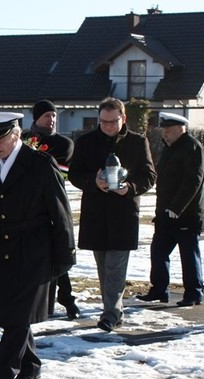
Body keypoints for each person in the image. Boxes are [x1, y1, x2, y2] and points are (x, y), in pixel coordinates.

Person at [0, 111, 76, 379]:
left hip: (35, 249)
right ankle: (31, 367)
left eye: (1, 138)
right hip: (3, 249)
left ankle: (2, 377)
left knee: (16, 316)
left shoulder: (39, 164)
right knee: (13, 313)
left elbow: (60, 211)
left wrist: (65, 255)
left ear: (16, 135)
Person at [68, 97, 157, 333]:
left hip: (123, 213)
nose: (107, 126)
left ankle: (110, 314)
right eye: (103, 122)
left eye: (112, 122)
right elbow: (74, 173)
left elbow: (149, 175)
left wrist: (130, 188)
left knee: (115, 266)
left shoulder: (137, 142)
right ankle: (114, 311)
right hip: (96, 213)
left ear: (123, 118)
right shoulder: (86, 141)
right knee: (103, 265)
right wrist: (93, 182)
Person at [137, 112, 204, 307]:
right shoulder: (170, 148)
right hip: (166, 215)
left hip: (186, 215)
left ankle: (194, 293)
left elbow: (193, 181)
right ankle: (159, 290)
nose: (165, 134)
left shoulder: (192, 147)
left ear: (180, 129)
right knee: (158, 251)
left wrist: (177, 208)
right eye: (164, 130)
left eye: (168, 130)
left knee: (189, 255)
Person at [24, 99, 80, 319]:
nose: (52, 119)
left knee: (59, 254)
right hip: (28, 208)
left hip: (54, 207)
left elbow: (59, 172)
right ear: (36, 118)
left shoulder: (64, 143)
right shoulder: (25, 140)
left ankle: (67, 299)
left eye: (54, 116)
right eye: (47, 116)